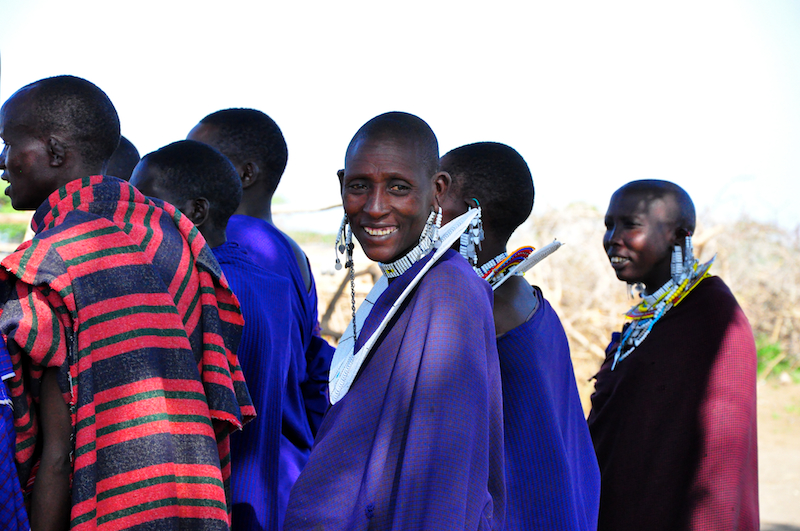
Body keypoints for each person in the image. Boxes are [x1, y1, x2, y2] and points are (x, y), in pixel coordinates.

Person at [0, 75, 254, 530]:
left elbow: (57, 456)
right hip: (196, 502)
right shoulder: (176, 236)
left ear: (54, 152)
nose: (2, 161)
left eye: (8, 143)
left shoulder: (49, 263)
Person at [284, 112, 505, 530]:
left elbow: (440, 482)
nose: (374, 207)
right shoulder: (407, 282)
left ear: (438, 190)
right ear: (341, 184)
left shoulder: (448, 292)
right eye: (359, 186)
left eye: (398, 187)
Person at [130, 139, 300, 531]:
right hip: (260, 499)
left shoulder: (197, 289)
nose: (132, 215)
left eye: (146, 202)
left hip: (211, 505)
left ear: (196, 211)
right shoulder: (271, 285)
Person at [439, 141, 600, 530]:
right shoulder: (520, 294)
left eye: (438, 192)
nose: (423, 206)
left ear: (471, 213)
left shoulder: (479, 310)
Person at [187, 109, 334, 523]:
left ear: (245, 173)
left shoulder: (230, 245)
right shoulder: (293, 252)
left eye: (200, 158)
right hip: (287, 469)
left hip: (243, 470)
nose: (186, 168)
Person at [588, 180, 759, 531]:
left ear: (679, 236)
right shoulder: (651, 317)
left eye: (631, 225)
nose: (613, 238)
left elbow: (721, 455)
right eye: (609, 225)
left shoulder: (713, 316)